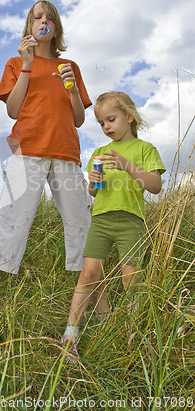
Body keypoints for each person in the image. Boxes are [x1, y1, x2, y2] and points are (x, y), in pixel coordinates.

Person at [0, 0, 107, 317]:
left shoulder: (69, 67)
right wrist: (26, 64)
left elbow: (78, 119)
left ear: (56, 27)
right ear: (29, 25)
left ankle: (105, 315)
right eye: (37, 17)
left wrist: (73, 90)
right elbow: (12, 110)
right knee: (10, 226)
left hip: (65, 154)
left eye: (50, 17)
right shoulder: (15, 62)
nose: (43, 21)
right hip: (28, 152)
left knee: (83, 230)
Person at [61, 91, 166, 362]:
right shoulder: (99, 152)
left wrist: (126, 165)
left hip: (131, 220)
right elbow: (95, 192)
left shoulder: (145, 149)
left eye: (111, 119)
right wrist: (93, 181)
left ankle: (131, 335)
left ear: (129, 117)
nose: (107, 127)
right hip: (102, 219)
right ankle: (70, 336)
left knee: (131, 278)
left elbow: (155, 186)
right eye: (101, 123)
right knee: (88, 274)